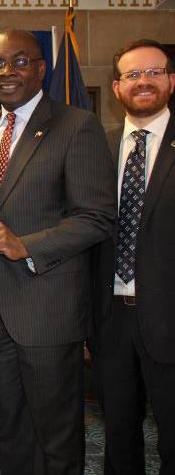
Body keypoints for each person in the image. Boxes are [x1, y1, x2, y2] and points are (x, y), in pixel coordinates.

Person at [0, 29, 117, 474]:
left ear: (41, 68)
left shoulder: (76, 125)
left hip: (48, 312)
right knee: (11, 433)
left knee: (57, 440)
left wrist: (25, 246)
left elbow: (97, 217)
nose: (7, 72)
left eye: (19, 61)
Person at [90, 39, 175, 475]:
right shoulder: (96, 149)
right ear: (117, 87)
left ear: (171, 81)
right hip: (111, 321)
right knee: (119, 440)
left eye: (153, 72)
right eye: (132, 75)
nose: (143, 82)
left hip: (169, 318)